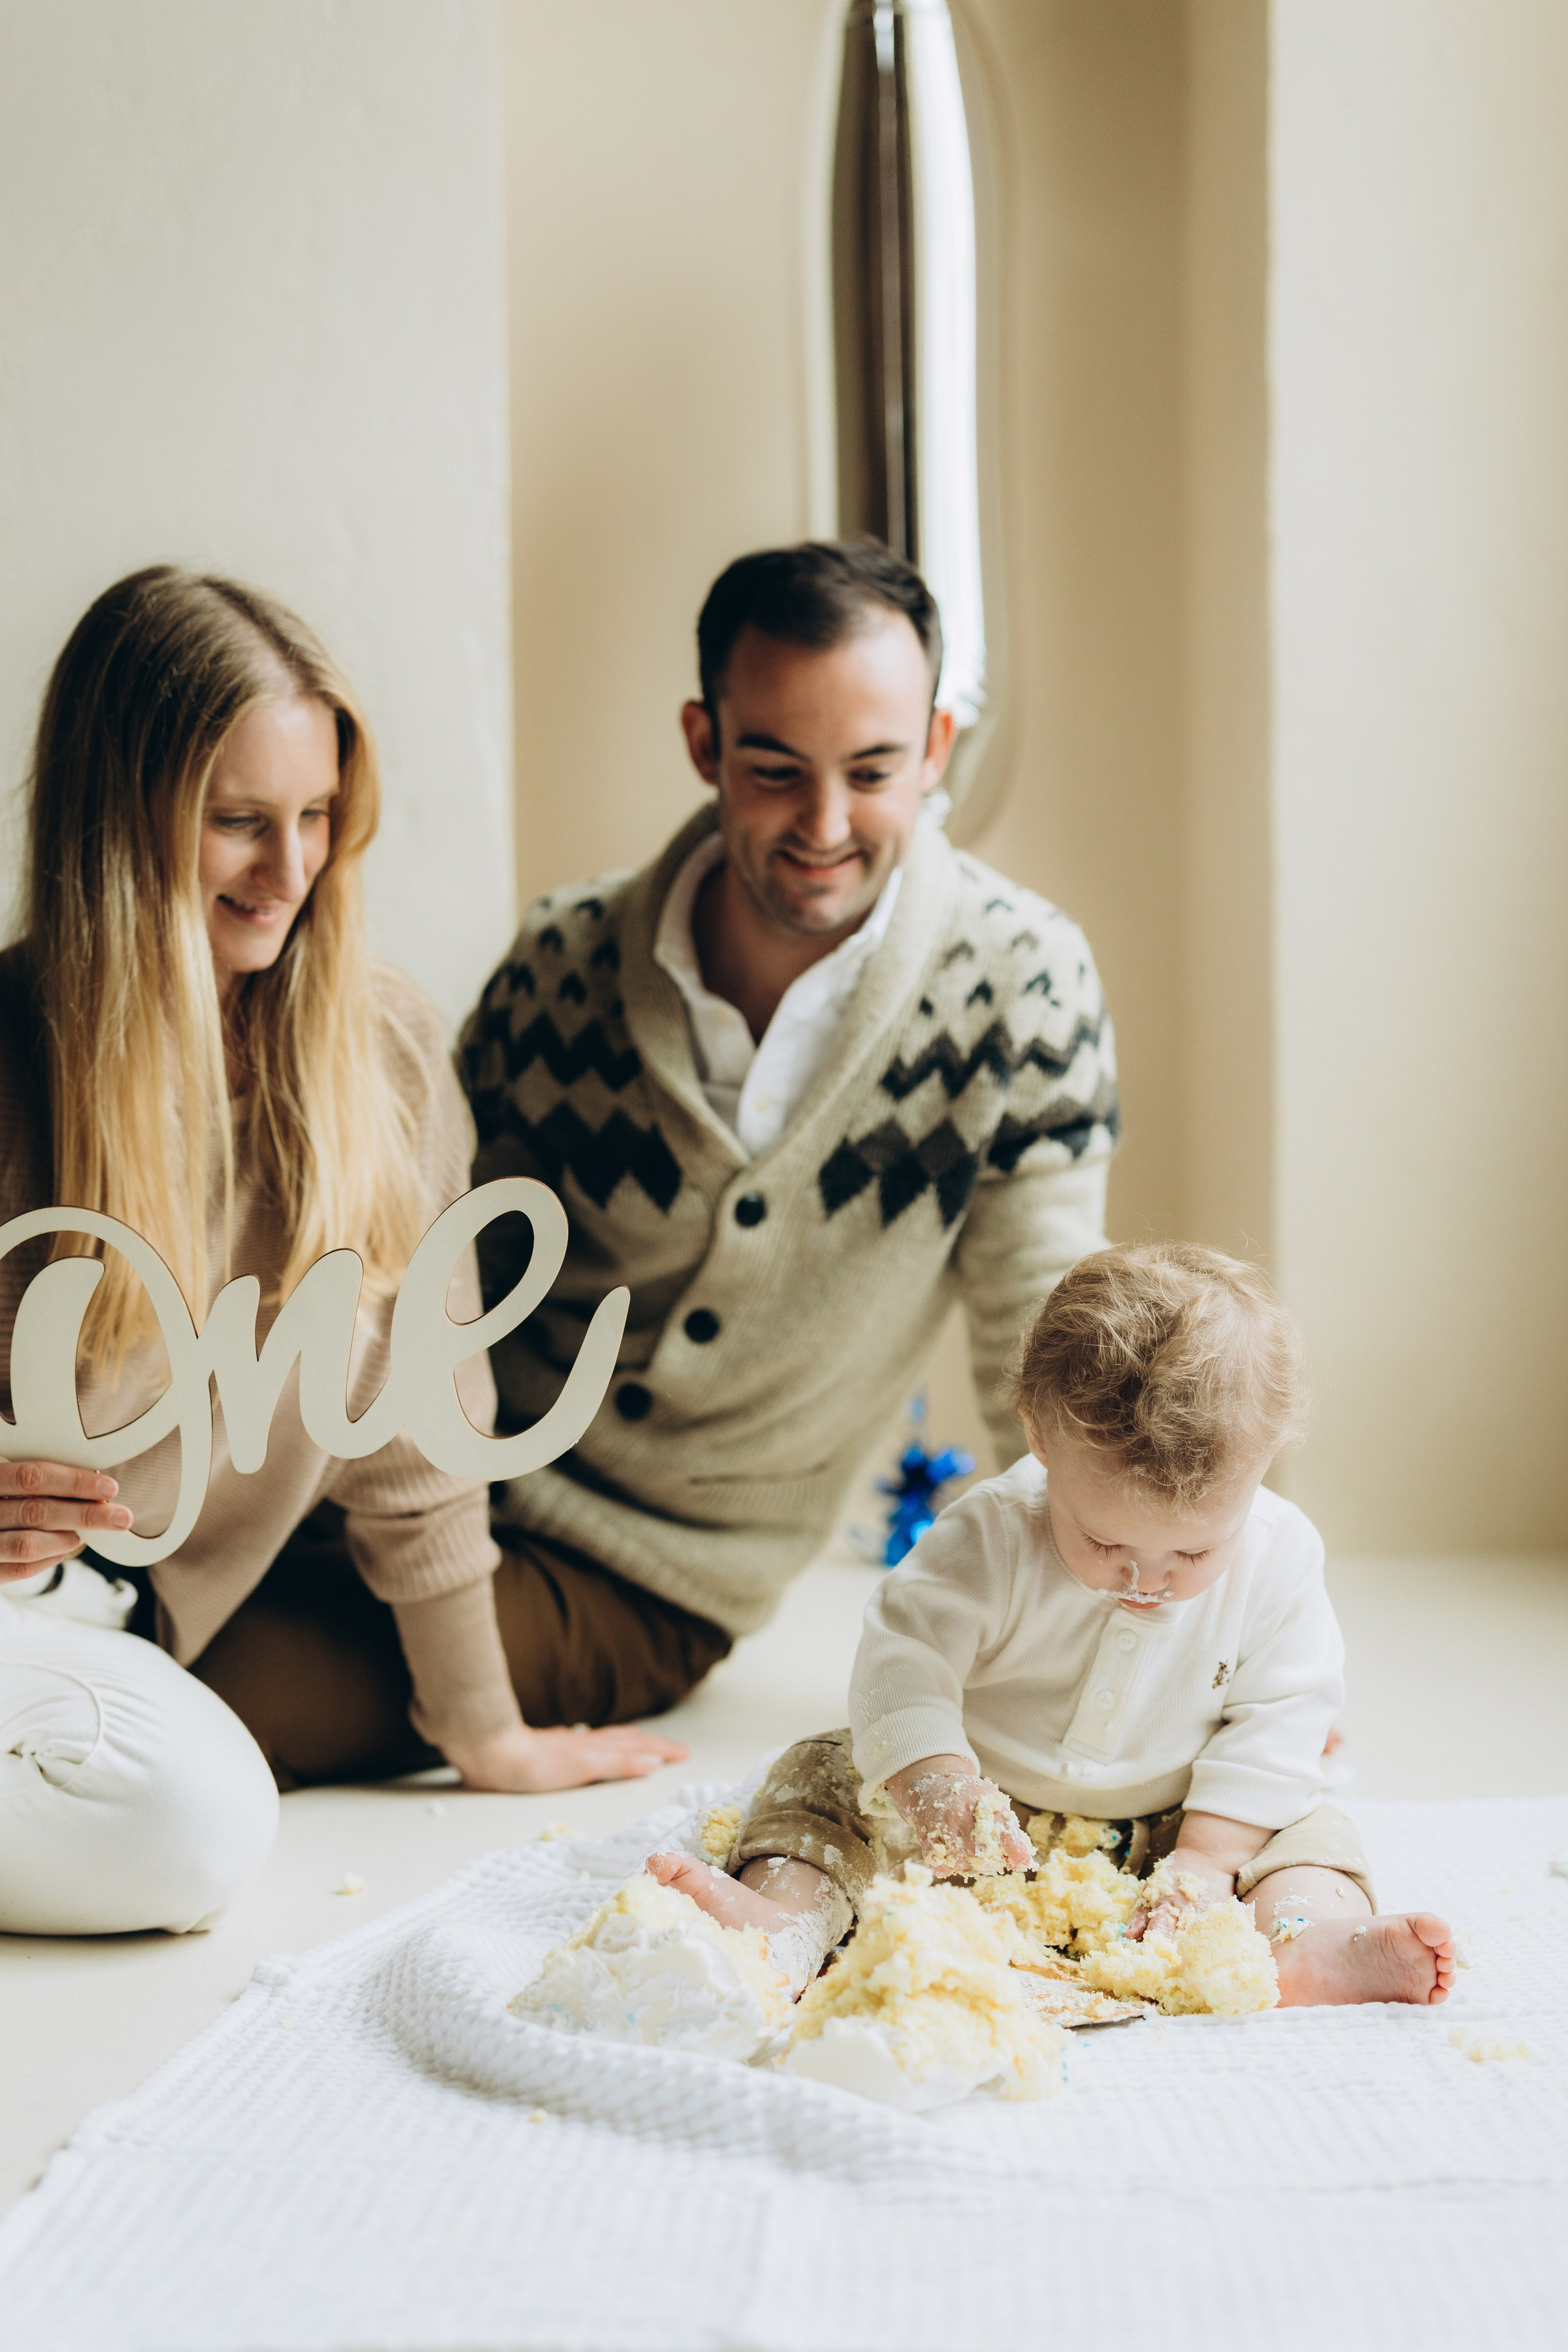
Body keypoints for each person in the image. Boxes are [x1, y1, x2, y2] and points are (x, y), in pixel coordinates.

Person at [1, 567, 681, 1937]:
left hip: (85, 1645)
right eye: (240, 823)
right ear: (117, 820)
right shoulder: (16, 1058)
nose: (291, 870)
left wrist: (485, 1732)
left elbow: (419, 1444)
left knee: (194, 1832)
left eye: (318, 819)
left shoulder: (378, 1057)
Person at [456, 540, 1120, 1730]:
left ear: (934, 750)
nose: (823, 824)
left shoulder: (1021, 982)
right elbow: (433, 1271)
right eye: (773, 770)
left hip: (646, 1585)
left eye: (871, 771)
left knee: (260, 1685)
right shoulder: (560, 962)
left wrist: (1159, 1646)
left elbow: (1046, 1349)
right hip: (424, 1488)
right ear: (703, 743)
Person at [650, 1243, 1456, 2008]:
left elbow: (1284, 1716)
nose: (1147, 1580)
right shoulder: (989, 1534)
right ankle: (785, 1924)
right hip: (981, 1816)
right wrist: (937, 1783)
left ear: (1265, 1463)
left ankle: (1303, 1939)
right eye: (1104, 1541)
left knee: (1310, 1824)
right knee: (821, 1777)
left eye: (1195, 1550)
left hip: (1186, 1822)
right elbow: (906, 1659)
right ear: (1038, 1438)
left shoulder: (1281, 1558)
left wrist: (1210, 1861)